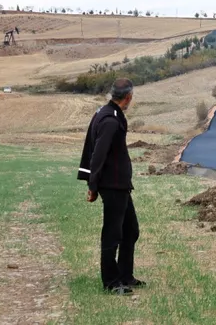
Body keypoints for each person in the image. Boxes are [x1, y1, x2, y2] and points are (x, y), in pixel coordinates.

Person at [77, 78, 143, 295]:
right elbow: (97, 154)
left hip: (120, 184)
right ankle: (111, 282)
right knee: (112, 233)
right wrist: (92, 185)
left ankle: (125, 275)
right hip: (112, 185)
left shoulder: (103, 113)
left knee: (130, 230)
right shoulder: (110, 120)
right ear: (129, 97)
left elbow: (90, 146)